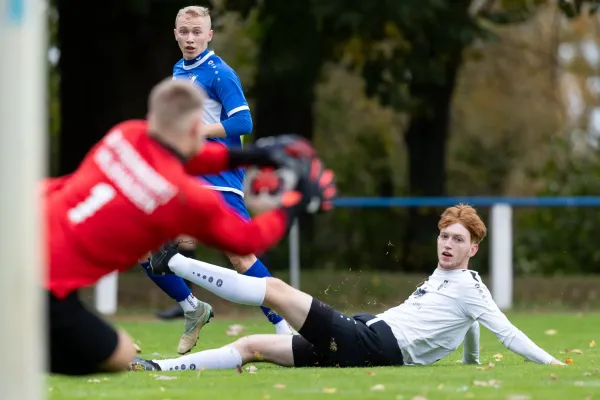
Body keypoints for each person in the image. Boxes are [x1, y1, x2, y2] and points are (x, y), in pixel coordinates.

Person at [45, 78, 332, 376]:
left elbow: (189, 157)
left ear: (152, 117)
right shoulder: (182, 197)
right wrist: (293, 205)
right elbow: (247, 240)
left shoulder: (126, 133)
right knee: (122, 355)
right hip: (45, 280)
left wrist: (255, 155)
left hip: (24, 226)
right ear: (198, 129)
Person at [130, 204, 565, 372]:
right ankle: (159, 368)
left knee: (276, 290)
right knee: (250, 346)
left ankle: (175, 261)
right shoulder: (447, 280)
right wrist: (471, 362)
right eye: (444, 236)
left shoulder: (471, 287)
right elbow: (469, 324)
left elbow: (505, 332)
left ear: (473, 247)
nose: (447, 244)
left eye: (457, 240)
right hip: (360, 335)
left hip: (368, 345)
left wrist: (553, 365)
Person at [141, 5, 295, 353]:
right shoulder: (179, 70)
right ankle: (192, 307)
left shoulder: (220, 73)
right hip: (186, 175)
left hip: (219, 177)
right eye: (185, 31)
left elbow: (243, 123)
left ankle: (285, 326)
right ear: (175, 34)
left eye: (198, 32)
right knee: (147, 247)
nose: (191, 38)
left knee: (241, 258)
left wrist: (194, 131)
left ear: (209, 35)